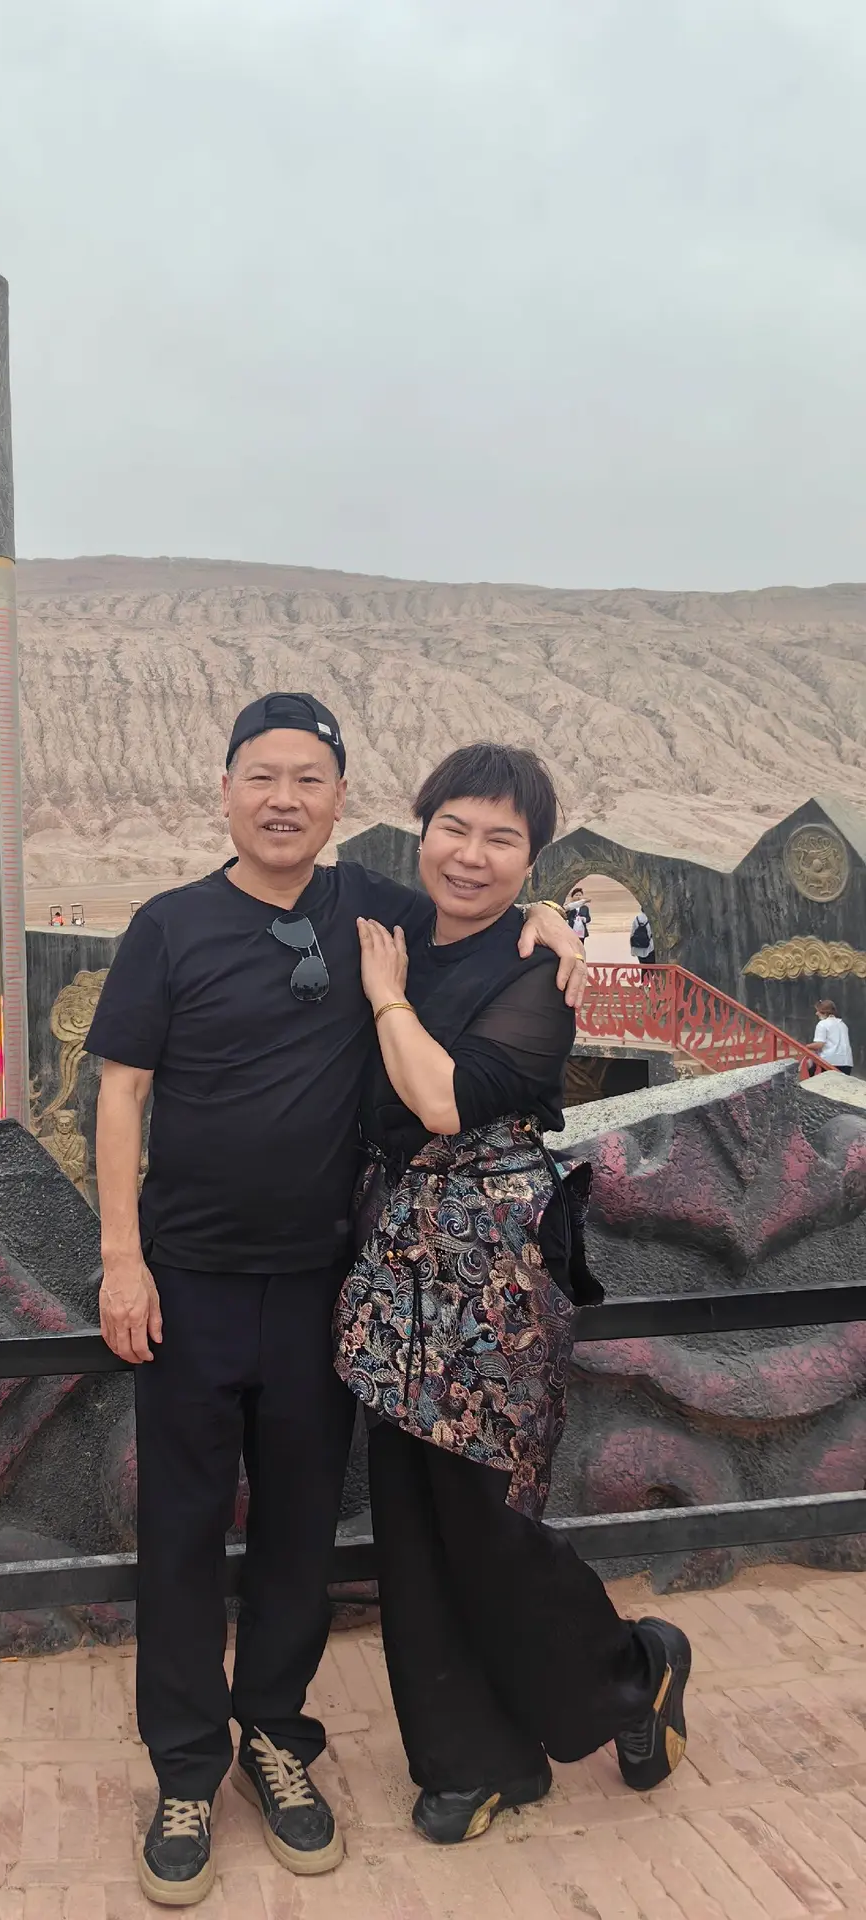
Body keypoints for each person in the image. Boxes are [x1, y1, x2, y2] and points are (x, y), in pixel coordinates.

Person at [84, 694, 587, 1906]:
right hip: (187, 1281)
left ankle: (276, 1735)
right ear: (225, 790)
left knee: (301, 1533)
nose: (283, 800)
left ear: (341, 800)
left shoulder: (376, 908)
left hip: (325, 1286)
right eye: (262, 777)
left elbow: (486, 901)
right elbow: (121, 1094)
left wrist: (567, 924)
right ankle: (186, 1769)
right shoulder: (168, 927)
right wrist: (120, 1258)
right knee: (181, 1534)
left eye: (308, 780)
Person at [336, 742, 691, 1848]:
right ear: (423, 829)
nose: (471, 855)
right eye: (455, 827)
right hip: (397, 1271)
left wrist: (386, 998)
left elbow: (446, 1101)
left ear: (531, 858)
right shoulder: (404, 920)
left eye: (504, 840)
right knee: (408, 1522)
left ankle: (632, 1672)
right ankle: (475, 1762)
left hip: (492, 1277)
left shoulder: (537, 976)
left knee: (486, 1520)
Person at [811, 998, 853, 1073]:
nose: (816, 1013)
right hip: (846, 1062)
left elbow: (819, 1044)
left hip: (829, 1062)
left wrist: (806, 1046)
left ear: (824, 1012)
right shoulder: (843, 1024)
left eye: (818, 1011)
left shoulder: (822, 1024)